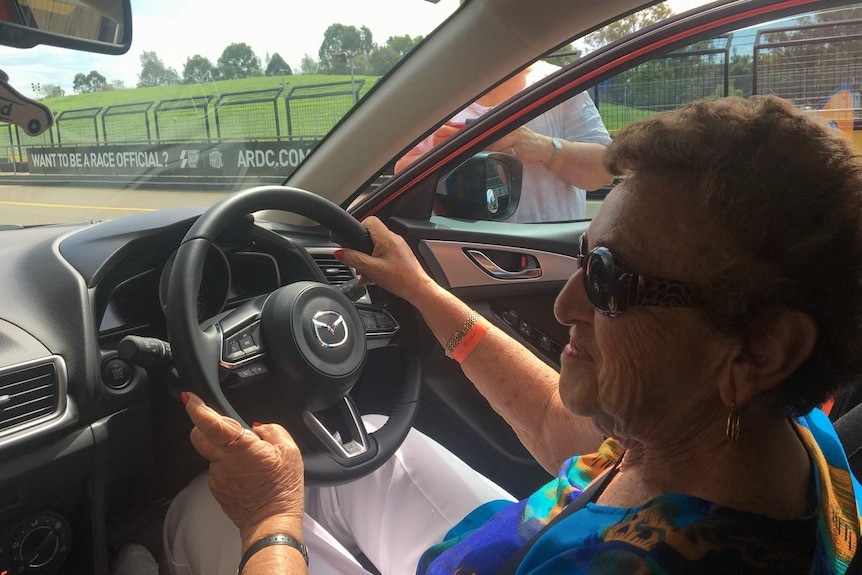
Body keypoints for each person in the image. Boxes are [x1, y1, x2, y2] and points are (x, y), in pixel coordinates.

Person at [163, 96, 862, 575]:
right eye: (586, 256)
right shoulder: (779, 433)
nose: (565, 303)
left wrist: (270, 522)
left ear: (763, 350)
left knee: (196, 514)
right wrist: (420, 290)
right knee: (368, 440)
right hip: (522, 538)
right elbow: (562, 428)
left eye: (612, 280)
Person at [394, 59, 614, 223]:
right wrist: (440, 156)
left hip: (548, 259)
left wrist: (544, 148)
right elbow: (402, 171)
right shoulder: (442, 94)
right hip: (460, 254)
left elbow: (604, 170)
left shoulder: (559, 83)